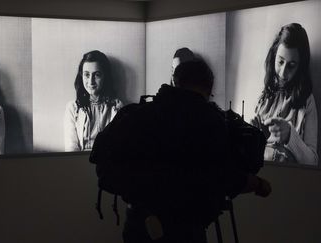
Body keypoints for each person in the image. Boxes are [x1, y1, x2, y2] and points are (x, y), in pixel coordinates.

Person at [122, 59, 271, 243]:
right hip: (182, 230)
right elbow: (223, 176)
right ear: (208, 88)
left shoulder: (144, 112)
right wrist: (257, 183)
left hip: (137, 224)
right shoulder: (209, 121)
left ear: (175, 82)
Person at [252, 23, 318, 166]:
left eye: (291, 65)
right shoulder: (264, 96)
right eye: (280, 62)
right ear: (273, 56)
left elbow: (313, 162)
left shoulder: (307, 100)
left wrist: (290, 135)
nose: (282, 73)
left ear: (300, 66)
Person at [64, 50, 123, 151]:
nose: (91, 82)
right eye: (86, 75)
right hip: (79, 162)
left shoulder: (116, 107)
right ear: (81, 76)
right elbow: (71, 148)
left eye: (97, 75)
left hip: (106, 163)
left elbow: (118, 146)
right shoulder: (73, 108)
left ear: (105, 76)